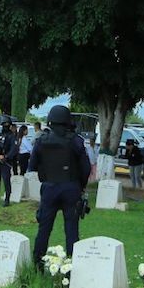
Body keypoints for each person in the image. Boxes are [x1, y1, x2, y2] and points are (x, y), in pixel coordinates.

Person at [28, 105, 91, 263]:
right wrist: (81, 186)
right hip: (71, 187)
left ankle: (37, 263)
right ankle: (72, 265)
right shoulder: (75, 140)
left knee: (44, 228)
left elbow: (32, 165)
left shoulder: (41, 140)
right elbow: (86, 168)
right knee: (71, 229)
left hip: (49, 187)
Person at [0, 115, 17, 206]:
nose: (5, 125)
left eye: (7, 124)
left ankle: (7, 199)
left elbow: (14, 150)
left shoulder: (12, 136)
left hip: (6, 162)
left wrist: (5, 157)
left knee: (6, 180)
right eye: (4, 124)